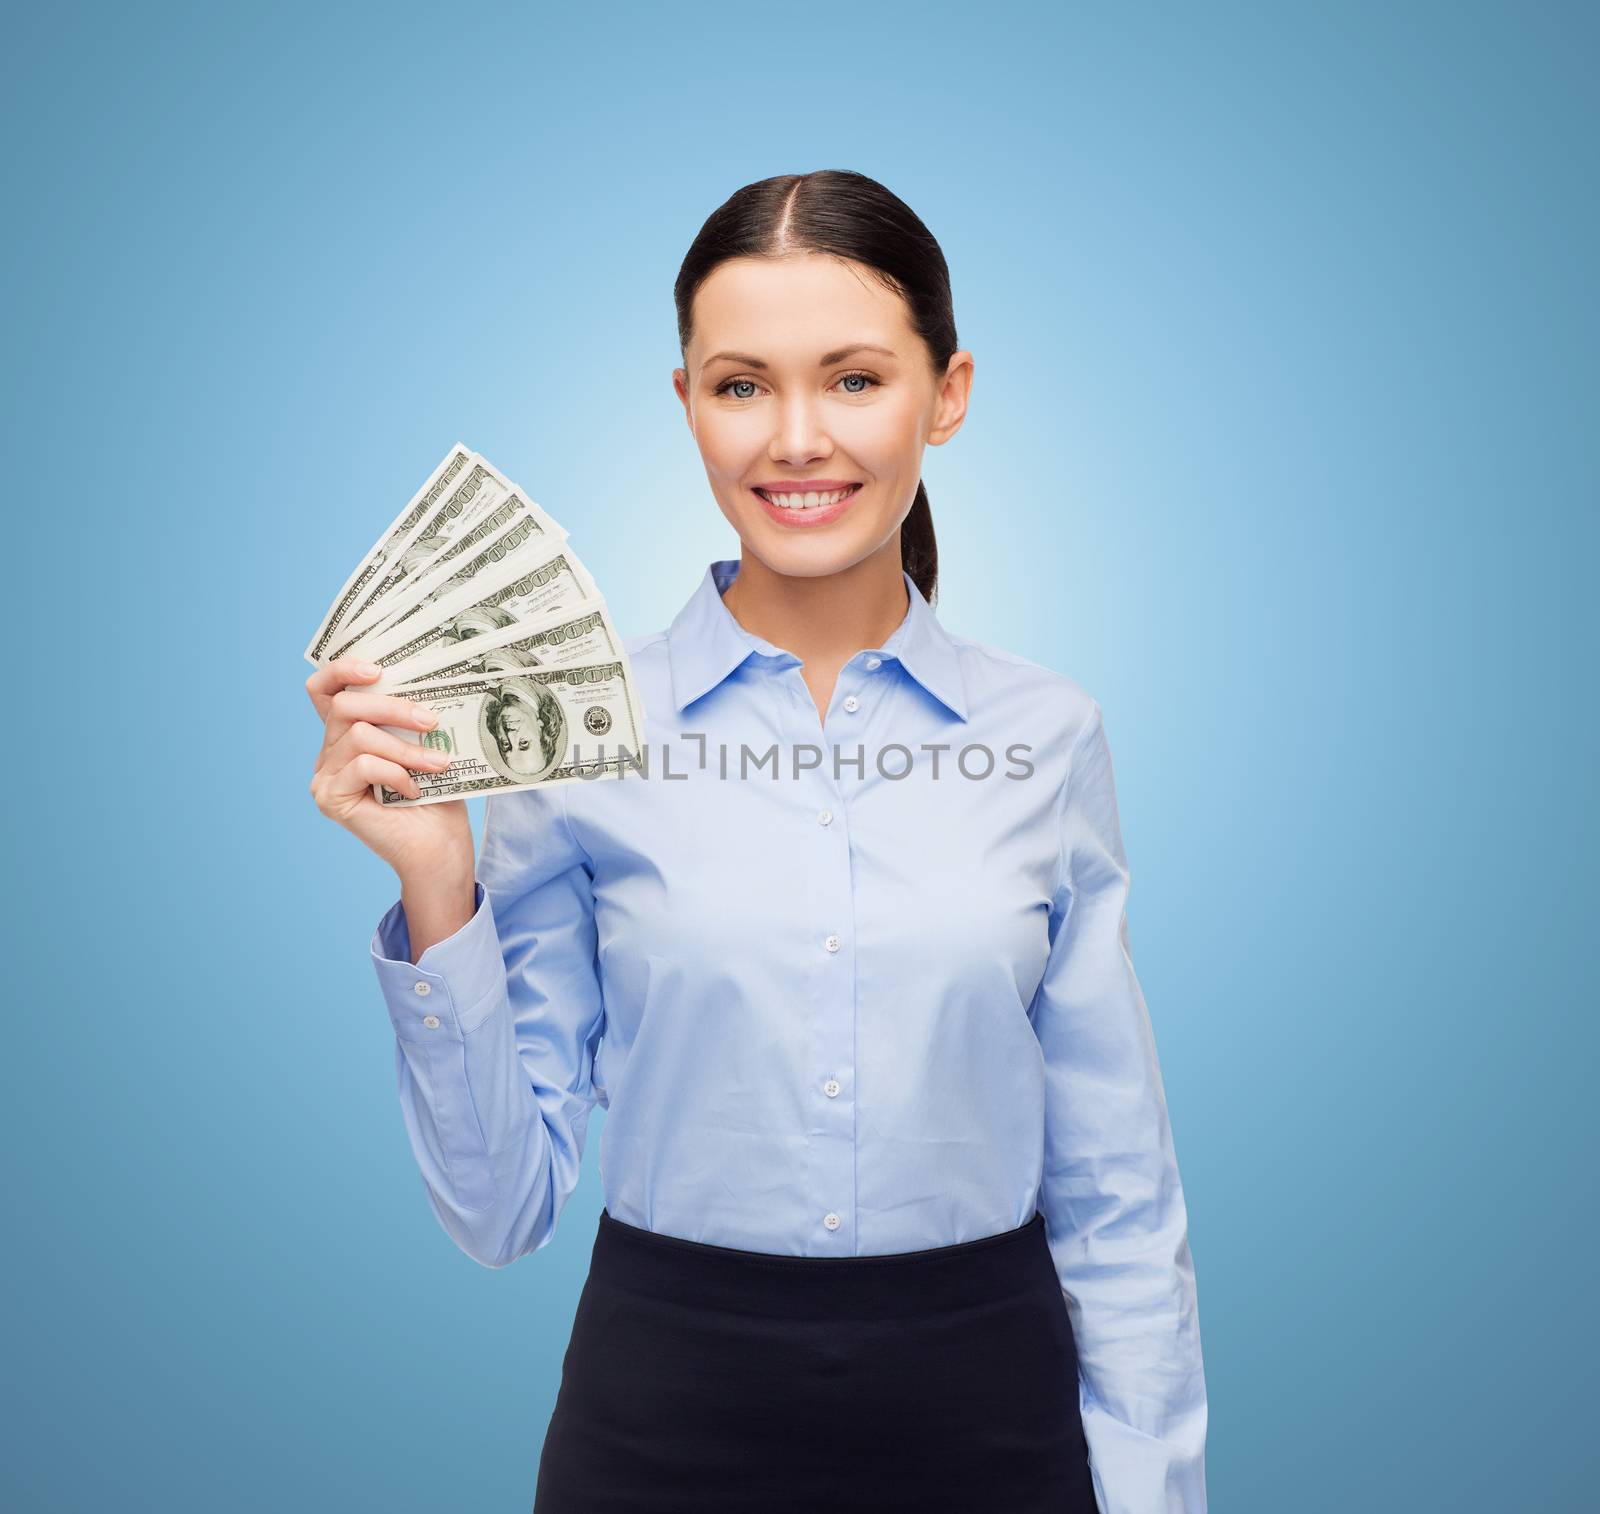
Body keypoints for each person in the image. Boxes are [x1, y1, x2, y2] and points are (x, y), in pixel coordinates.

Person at [306, 169, 1208, 1514]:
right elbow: (502, 1211)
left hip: (993, 1416)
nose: (797, 438)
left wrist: (1155, 1493)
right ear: (687, 405)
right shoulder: (576, 736)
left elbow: (1116, 1190)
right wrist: (442, 885)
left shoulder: (1050, 735)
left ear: (945, 394)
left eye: (854, 379)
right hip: (659, 1416)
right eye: (741, 385)